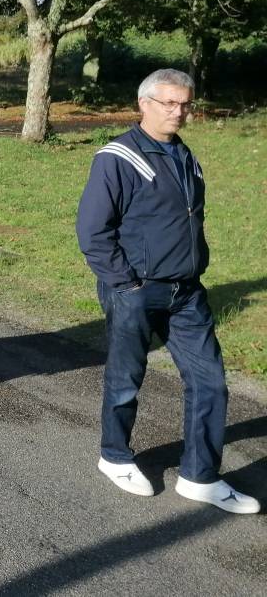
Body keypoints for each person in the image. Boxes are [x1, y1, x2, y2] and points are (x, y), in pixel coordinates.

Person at [77, 69, 258, 513]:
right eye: (169, 103)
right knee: (126, 378)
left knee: (210, 381)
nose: (179, 112)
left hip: (187, 291)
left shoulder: (183, 154)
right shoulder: (118, 157)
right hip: (136, 289)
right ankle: (115, 456)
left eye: (185, 104)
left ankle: (200, 477)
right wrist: (128, 283)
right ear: (144, 104)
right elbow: (92, 231)